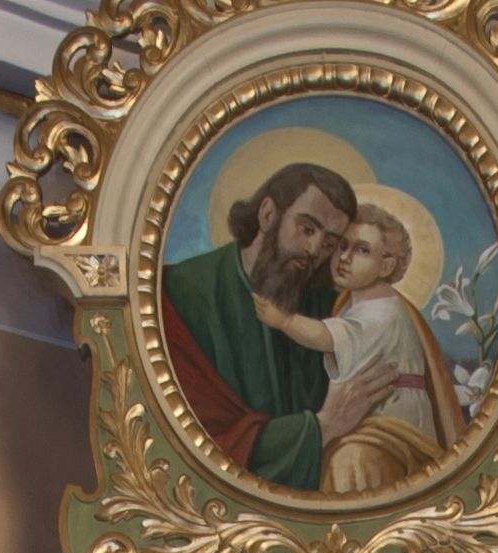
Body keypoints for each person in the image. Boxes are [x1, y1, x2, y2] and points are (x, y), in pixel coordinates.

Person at [161, 163, 397, 493]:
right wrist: (321, 428)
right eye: (307, 229)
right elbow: (193, 446)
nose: (313, 250)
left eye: (329, 242)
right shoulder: (182, 295)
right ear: (268, 214)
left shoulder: (327, 308)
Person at [252, 208, 465, 494]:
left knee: (348, 463)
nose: (344, 257)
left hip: (393, 423)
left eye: (362, 250)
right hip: (373, 418)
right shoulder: (354, 306)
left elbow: (325, 336)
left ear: (386, 266)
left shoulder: (383, 312)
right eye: (342, 246)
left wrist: (284, 321)